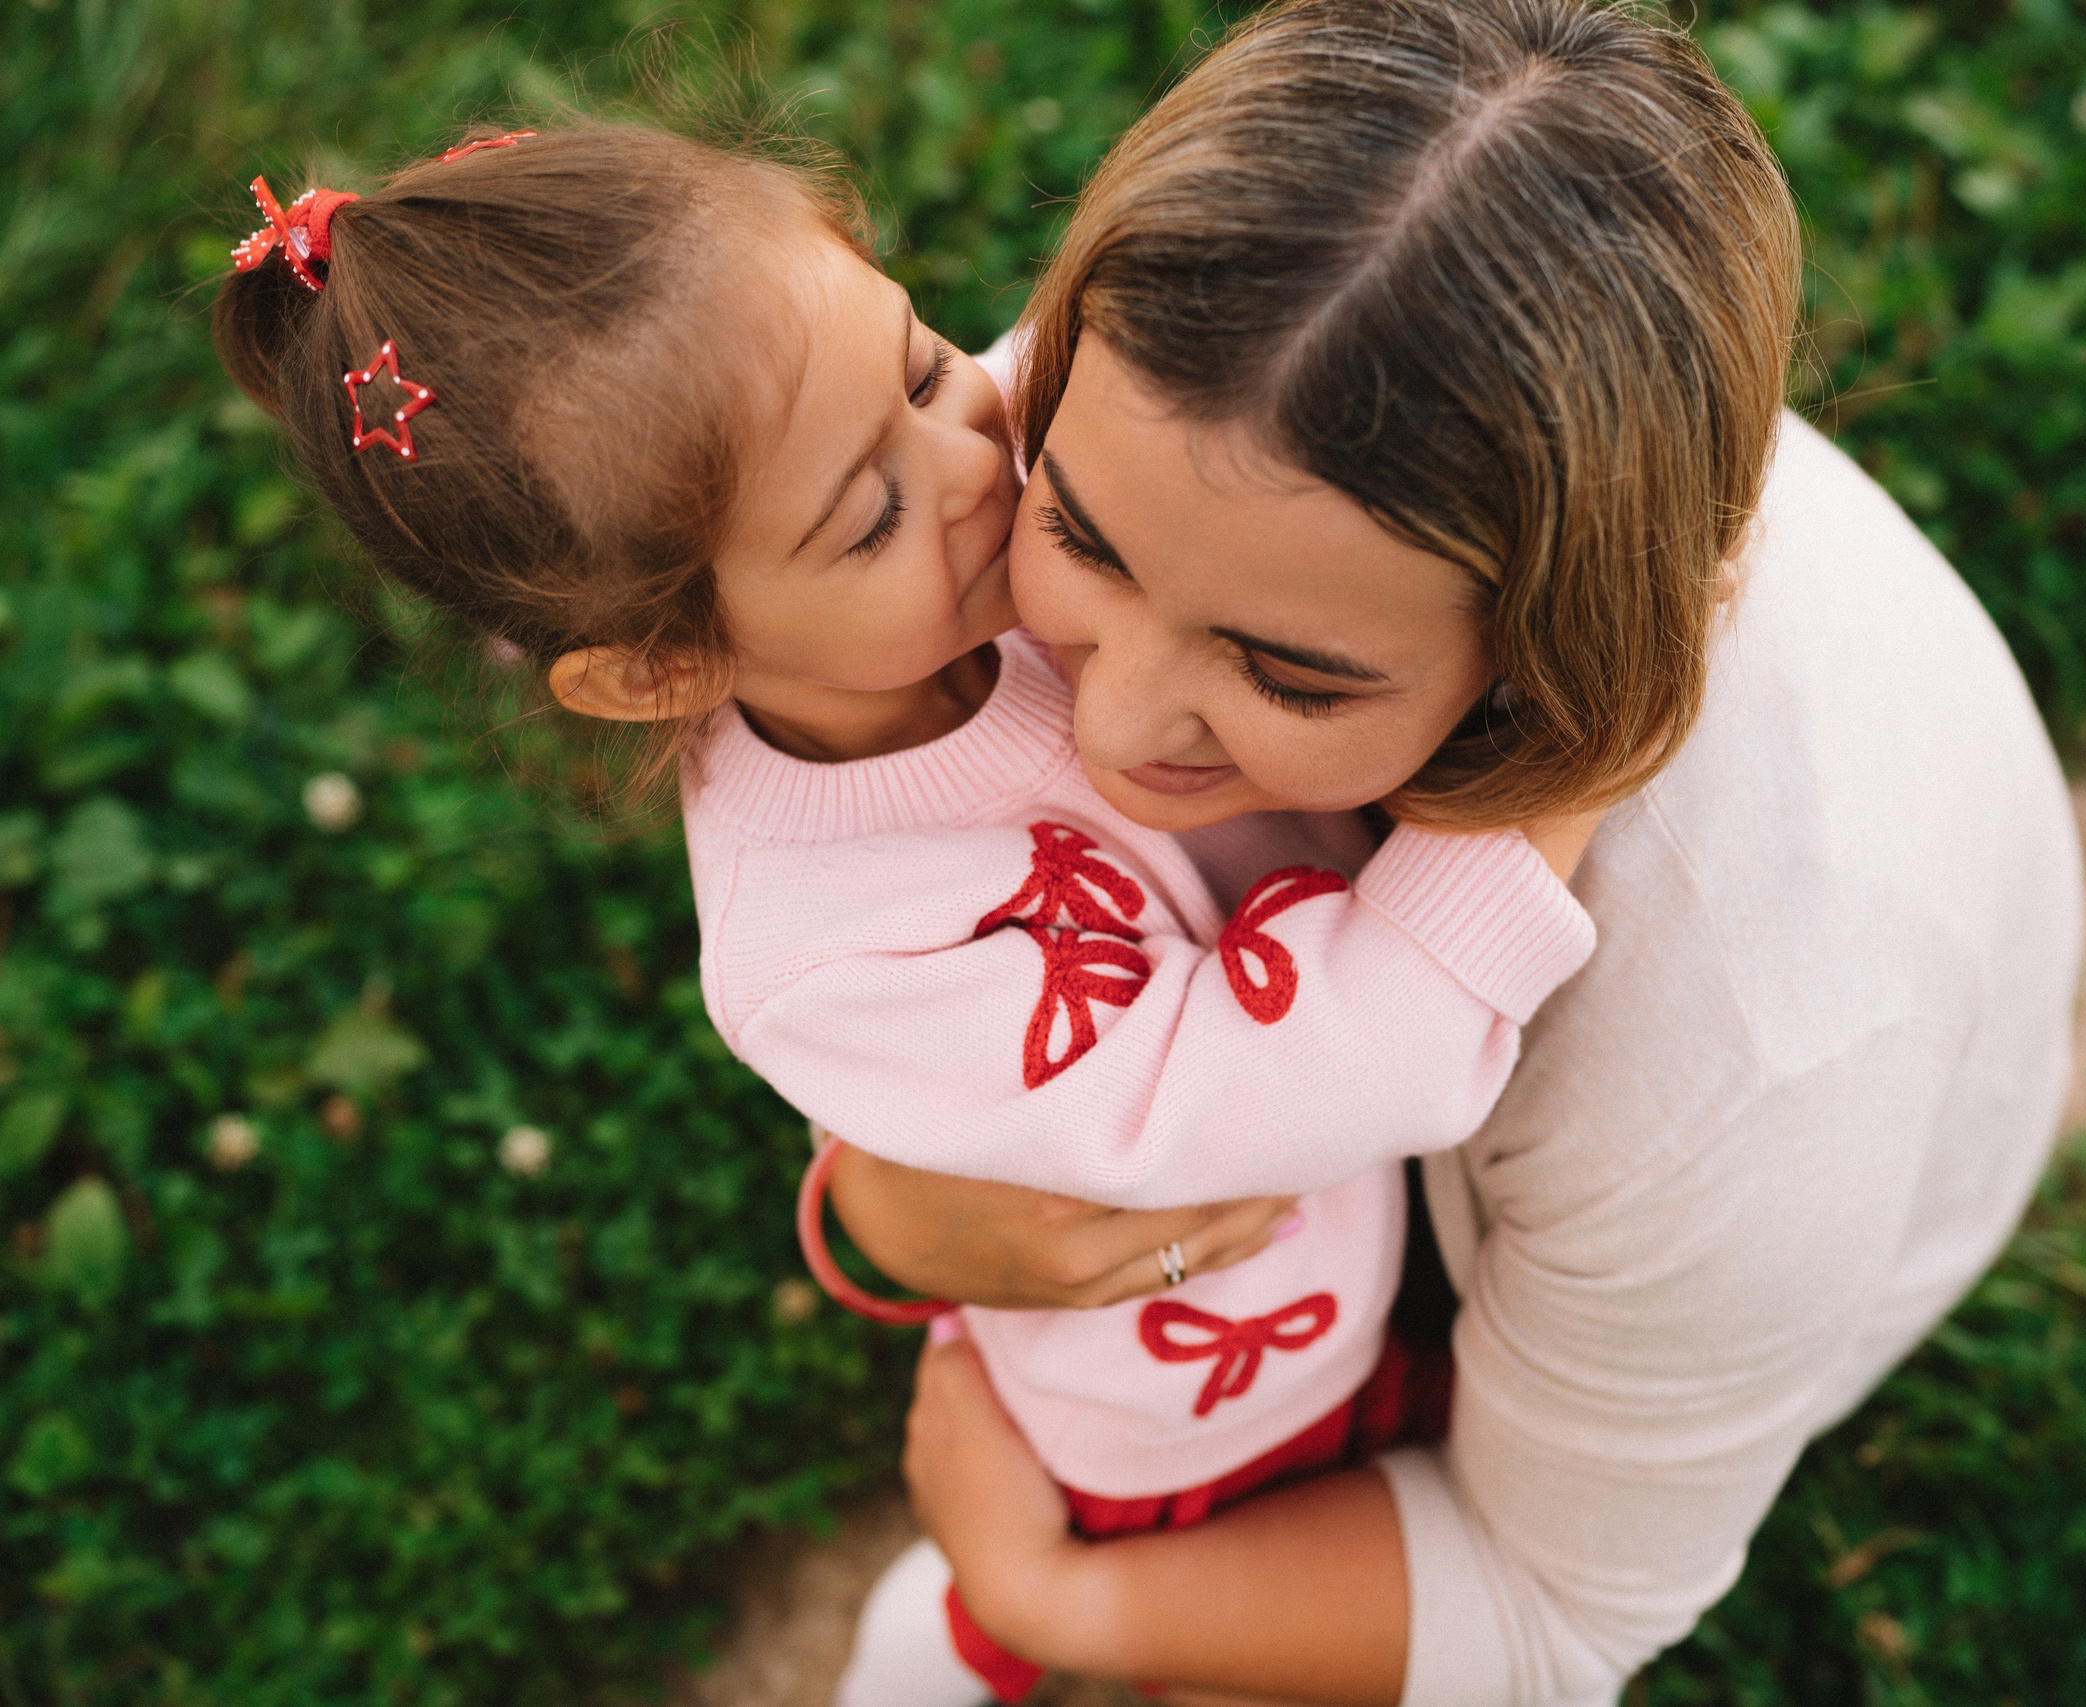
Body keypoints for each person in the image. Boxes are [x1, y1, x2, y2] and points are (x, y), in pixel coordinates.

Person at [209, 118, 1610, 1707]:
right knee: (1220, 1646)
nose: (978, 472)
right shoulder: (825, 951)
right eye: (866, 517)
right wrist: (1559, 789)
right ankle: (947, 1649)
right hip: (1191, 1406)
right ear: (664, 667)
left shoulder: (960, 527)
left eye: (930, 365)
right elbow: (1263, 1093)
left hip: (1353, 1274)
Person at [831, 3, 2085, 1703]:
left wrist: (1047, 1600)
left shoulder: (1768, 1037)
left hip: (1554, 1274)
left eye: (1293, 673)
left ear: (1563, 643)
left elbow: (1544, 1609)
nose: (1113, 730)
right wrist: (889, 1201)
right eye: (1083, 539)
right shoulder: (1178, 391)